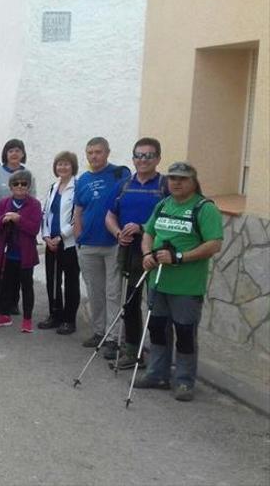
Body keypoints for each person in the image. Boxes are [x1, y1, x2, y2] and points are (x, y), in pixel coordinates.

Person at [135, 162, 223, 402]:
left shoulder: (204, 208)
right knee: (157, 330)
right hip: (158, 281)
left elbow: (214, 244)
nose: (176, 182)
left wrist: (180, 257)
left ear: (193, 182)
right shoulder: (163, 205)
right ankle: (157, 374)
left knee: (185, 333)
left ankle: (184, 381)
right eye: (172, 178)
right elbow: (148, 233)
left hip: (186, 286)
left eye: (182, 179)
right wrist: (146, 254)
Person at [105, 137, 168, 368]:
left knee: (158, 306)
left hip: (158, 253)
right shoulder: (123, 185)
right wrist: (117, 232)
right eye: (138, 156)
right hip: (131, 252)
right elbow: (110, 215)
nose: (143, 160)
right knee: (130, 303)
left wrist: (143, 227)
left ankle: (162, 359)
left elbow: (172, 217)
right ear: (133, 158)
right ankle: (133, 352)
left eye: (148, 156)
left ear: (158, 158)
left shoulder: (165, 186)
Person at [73, 137, 132, 353]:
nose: (94, 156)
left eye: (98, 152)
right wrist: (78, 236)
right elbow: (78, 210)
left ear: (107, 152)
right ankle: (99, 331)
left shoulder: (120, 174)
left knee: (113, 292)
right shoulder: (83, 180)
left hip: (113, 244)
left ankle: (113, 337)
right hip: (88, 244)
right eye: (90, 153)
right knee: (95, 291)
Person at [0, 170, 42, 332]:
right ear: (11, 187)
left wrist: (19, 220)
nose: (20, 186)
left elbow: (34, 229)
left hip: (25, 254)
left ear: (28, 186)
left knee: (26, 286)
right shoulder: (4, 203)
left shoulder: (34, 204)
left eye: (24, 184)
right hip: (7, 252)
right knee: (6, 285)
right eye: (16, 184)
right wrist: (3, 219)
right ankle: (4, 315)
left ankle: (27, 319)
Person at [38, 151, 80, 335]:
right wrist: (46, 236)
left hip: (69, 243)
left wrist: (61, 236)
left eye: (66, 164)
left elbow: (76, 218)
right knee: (52, 281)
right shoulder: (53, 187)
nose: (62, 167)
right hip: (51, 242)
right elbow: (47, 214)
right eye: (59, 164)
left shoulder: (77, 187)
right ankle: (55, 314)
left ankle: (69, 320)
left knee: (70, 282)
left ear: (73, 167)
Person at [0, 138, 36, 209]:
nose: (14, 154)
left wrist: (20, 215)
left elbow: (32, 197)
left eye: (17, 151)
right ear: (6, 154)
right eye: (10, 151)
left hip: (23, 216)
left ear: (22, 154)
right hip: (0, 215)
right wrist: (3, 213)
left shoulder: (28, 174)